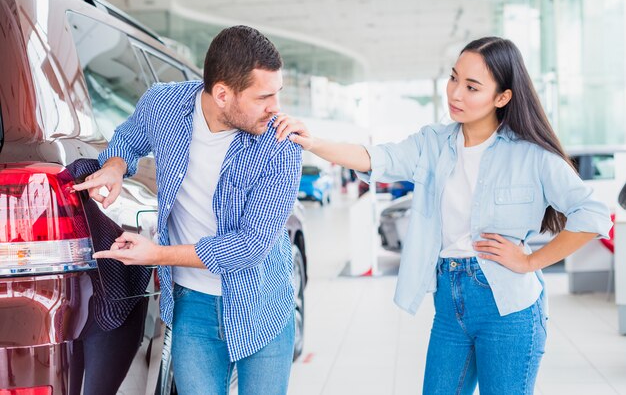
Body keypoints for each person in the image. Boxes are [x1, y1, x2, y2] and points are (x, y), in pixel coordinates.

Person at [273, 37, 612, 394]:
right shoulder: (433, 143)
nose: (455, 94)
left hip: (509, 308)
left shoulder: (532, 156)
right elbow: (377, 158)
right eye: (454, 79)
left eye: (472, 87)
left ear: (503, 97)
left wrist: (531, 261)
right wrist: (312, 143)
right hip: (450, 302)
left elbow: (592, 214)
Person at [73, 25, 302, 395]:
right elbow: (129, 137)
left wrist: (157, 255)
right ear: (223, 94)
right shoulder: (163, 105)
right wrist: (115, 166)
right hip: (192, 307)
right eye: (264, 97)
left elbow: (249, 246)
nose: (275, 108)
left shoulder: (281, 146)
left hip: (261, 304)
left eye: (278, 94)